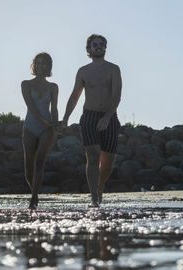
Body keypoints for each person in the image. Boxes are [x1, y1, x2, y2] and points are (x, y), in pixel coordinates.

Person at [61, 34, 122, 207]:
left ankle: (100, 187)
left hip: (109, 116)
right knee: (93, 156)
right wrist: (65, 117)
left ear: (105, 48)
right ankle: (94, 197)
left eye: (102, 44)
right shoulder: (83, 71)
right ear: (89, 49)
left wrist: (108, 117)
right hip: (89, 116)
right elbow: (75, 95)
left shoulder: (113, 69)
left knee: (108, 163)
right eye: (95, 44)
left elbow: (116, 95)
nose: (99, 47)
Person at [21, 52, 59, 209]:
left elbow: (54, 108)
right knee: (28, 166)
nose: (41, 66)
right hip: (30, 126)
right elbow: (30, 106)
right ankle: (34, 192)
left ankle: (34, 198)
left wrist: (55, 124)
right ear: (34, 65)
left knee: (39, 163)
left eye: (45, 63)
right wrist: (43, 120)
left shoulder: (53, 87)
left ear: (49, 66)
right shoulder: (26, 84)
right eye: (39, 63)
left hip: (48, 129)